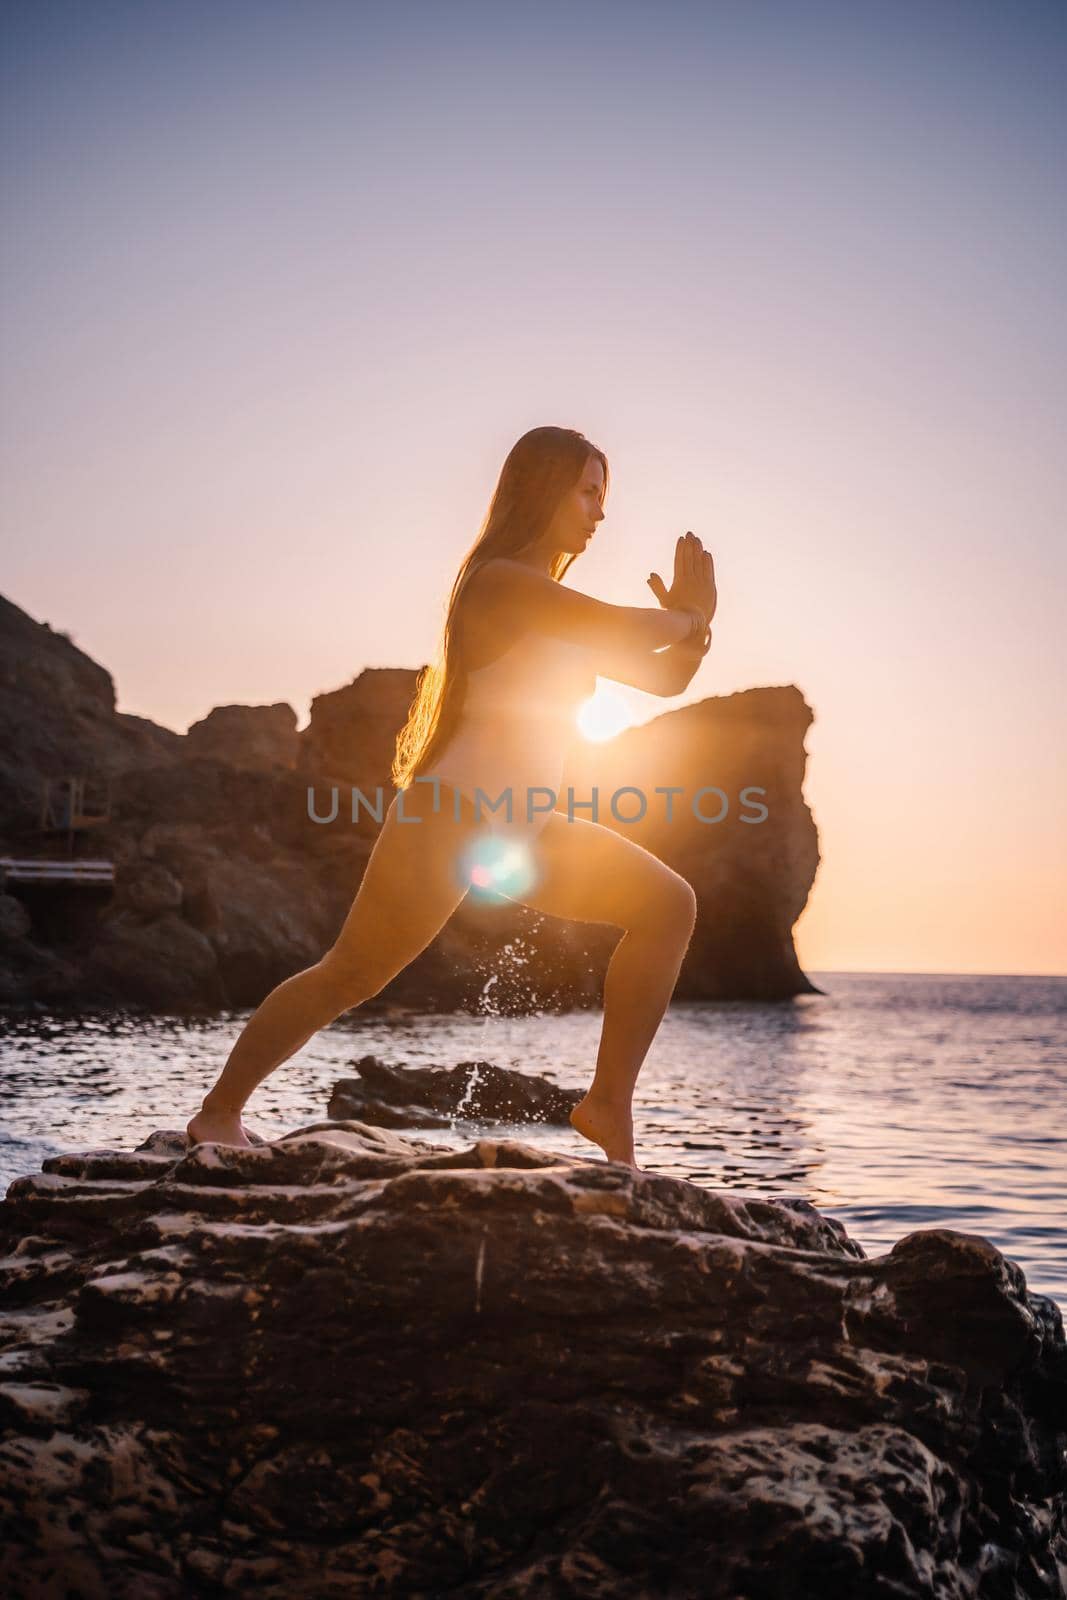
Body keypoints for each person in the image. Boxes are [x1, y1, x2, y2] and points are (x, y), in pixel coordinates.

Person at [186, 425, 717, 1168]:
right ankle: (217, 1113)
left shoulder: (555, 607)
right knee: (352, 973)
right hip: (451, 817)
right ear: (541, 490)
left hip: (526, 829)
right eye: (588, 491)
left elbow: (663, 678)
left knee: (668, 905)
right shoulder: (501, 583)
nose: (600, 512)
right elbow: (635, 626)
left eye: (605, 495)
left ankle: (606, 1110)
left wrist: (699, 626)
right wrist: (689, 615)